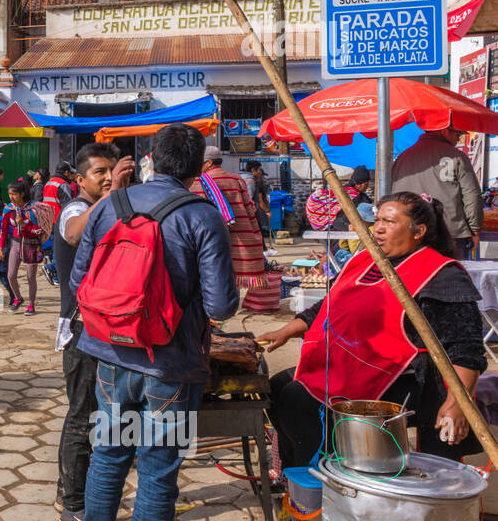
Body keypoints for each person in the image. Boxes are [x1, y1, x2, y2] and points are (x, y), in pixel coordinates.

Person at [70, 123, 238, 521]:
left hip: (109, 358)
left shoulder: (113, 205)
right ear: (196, 168)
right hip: (171, 368)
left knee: (108, 457)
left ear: (152, 160)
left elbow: (80, 277)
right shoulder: (201, 216)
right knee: (159, 473)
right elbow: (222, 306)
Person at [259, 192, 484, 468]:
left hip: (411, 381)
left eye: (389, 221)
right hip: (356, 366)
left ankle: (323, 480)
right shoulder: (365, 260)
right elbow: (329, 305)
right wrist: (287, 330)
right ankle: (296, 479)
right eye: (377, 219)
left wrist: (456, 404)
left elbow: (467, 349)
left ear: (419, 231)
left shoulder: (442, 274)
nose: (377, 227)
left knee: (298, 399)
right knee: (277, 387)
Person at [53, 142, 134, 521]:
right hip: (82, 327)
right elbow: (72, 235)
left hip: (105, 325)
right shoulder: (75, 207)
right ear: (80, 178)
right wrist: (114, 193)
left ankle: (69, 489)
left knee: (96, 414)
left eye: (110, 170)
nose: (105, 177)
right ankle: (72, 503)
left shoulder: (107, 204)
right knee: (82, 415)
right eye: (98, 172)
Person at [194, 146, 275, 312]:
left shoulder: (197, 181)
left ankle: (214, 310)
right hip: (237, 238)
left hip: (210, 237)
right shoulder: (236, 179)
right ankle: (230, 305)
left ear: (208, 163)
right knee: (232, 274)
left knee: (212, 273)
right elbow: (250, 207)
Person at [392, 125, 483, 259]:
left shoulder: (402, 158)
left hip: (410, 233)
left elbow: (391, 196)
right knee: (451, 277)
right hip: (450, 234)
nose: (458, 139)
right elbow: (472, 195)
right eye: (457, 134)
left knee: (415, 278)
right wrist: (474, 230)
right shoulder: (457, 156)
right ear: (444, 131)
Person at [0, 179, 45, 315]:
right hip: (15, 244)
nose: (11, 197)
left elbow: (38, 230)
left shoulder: (33, 210)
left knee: (31, 277)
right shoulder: (8, 209)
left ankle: (31, 305)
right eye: (9, 194)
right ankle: (18, 298)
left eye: (14, 194)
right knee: (11, 275)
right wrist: (1, 248)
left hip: (31, 245)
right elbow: (4, 229)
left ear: (22, 194)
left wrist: (24, 226)